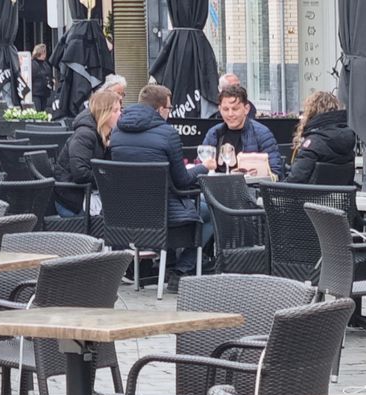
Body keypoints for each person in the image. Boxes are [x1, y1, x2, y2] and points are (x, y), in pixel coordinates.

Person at [111, 84, 217, 281]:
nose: (170, 112)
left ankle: (169, 264)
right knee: (213, 209)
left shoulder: (117, 131)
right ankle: (182, 268)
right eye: (169, 108)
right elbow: (183, 181)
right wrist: (204, 166)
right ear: (160, 109)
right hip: (164, 216)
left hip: (127, 215)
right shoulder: (167, 133)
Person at [53, 90, 120, 216]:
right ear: (104, 113)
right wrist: (108, 178)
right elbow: (80, 173)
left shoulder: (104, 134)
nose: (120, 114)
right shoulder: (85, 134)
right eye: (115, 111)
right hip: (72, 200)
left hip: (85, 193)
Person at [200, 84, 282, 178]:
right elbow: (201, 166)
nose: (230, 114)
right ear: (220, 110)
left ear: (246, 109)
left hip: (250, 189)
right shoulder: (214, 133)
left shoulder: (261, 134)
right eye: (225, 109)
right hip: (216, 188)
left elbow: (275, 172)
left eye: (235, 109)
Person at [283, 90, 356, 184]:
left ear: (311, 112)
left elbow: (295, 179)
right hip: (339, 197)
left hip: (310, 197)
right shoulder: (348, 138)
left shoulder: (313, 143)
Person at [31, 44, 53, 112]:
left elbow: (49, 76)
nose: (45, 54)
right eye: (43, 52)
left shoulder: (46, 64)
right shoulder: (33, 64)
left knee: (43, 111)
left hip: (45, 93)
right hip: (36, 93)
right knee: (37, 110)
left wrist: (51, 81)